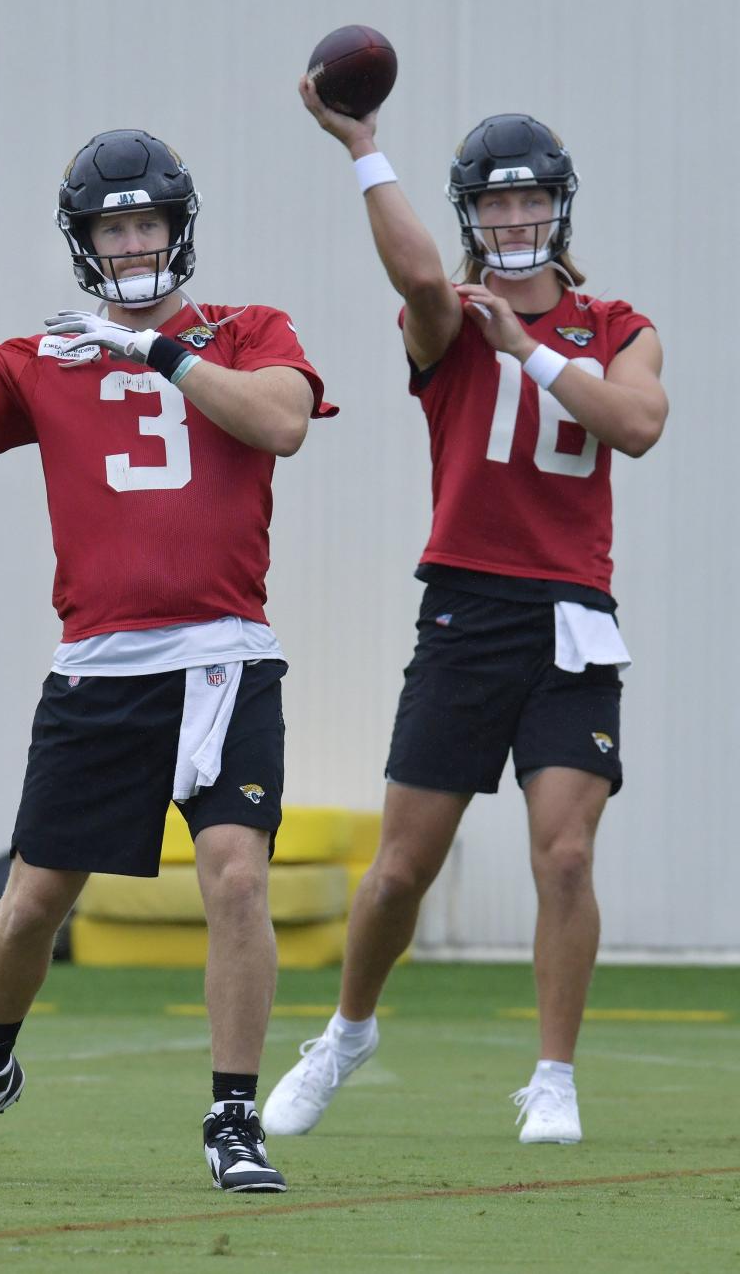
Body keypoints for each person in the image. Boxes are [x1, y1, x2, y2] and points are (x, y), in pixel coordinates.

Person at [0, 129, 332, 1192]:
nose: (133, 241)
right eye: (112, 225)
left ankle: (232, 1114)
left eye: (147, 222)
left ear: (179, 229)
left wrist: (162, 351)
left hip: (225, 659)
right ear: (86, 243)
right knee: (34, 898)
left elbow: (285, 421)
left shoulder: (244, 329)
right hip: (100, 666)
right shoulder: (52, 355)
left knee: (236, 875)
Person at [262, 88, 667, 1146]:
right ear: (471, 215)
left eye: (532, 200)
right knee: (402, 866)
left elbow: (636, 422)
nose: (517, 219)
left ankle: (554, 1076)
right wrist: (364, 148)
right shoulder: (442, 315)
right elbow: (413, 279)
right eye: (498, 204)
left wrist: (530, 350)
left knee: (566, 856)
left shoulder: (616, 326)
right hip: (467, 607)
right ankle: (348, 1031)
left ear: (560, 208)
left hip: (573, 613)